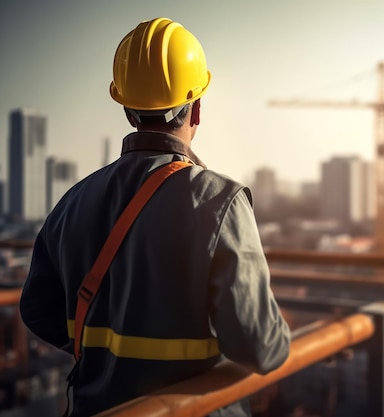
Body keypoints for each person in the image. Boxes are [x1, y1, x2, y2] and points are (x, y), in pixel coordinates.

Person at [19, 17, 291, 416]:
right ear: (196, 109)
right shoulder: (221, 202)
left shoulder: (72, 202)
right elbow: (261, 346)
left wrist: (108, 356)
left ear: (129, 111)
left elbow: (37, 310)